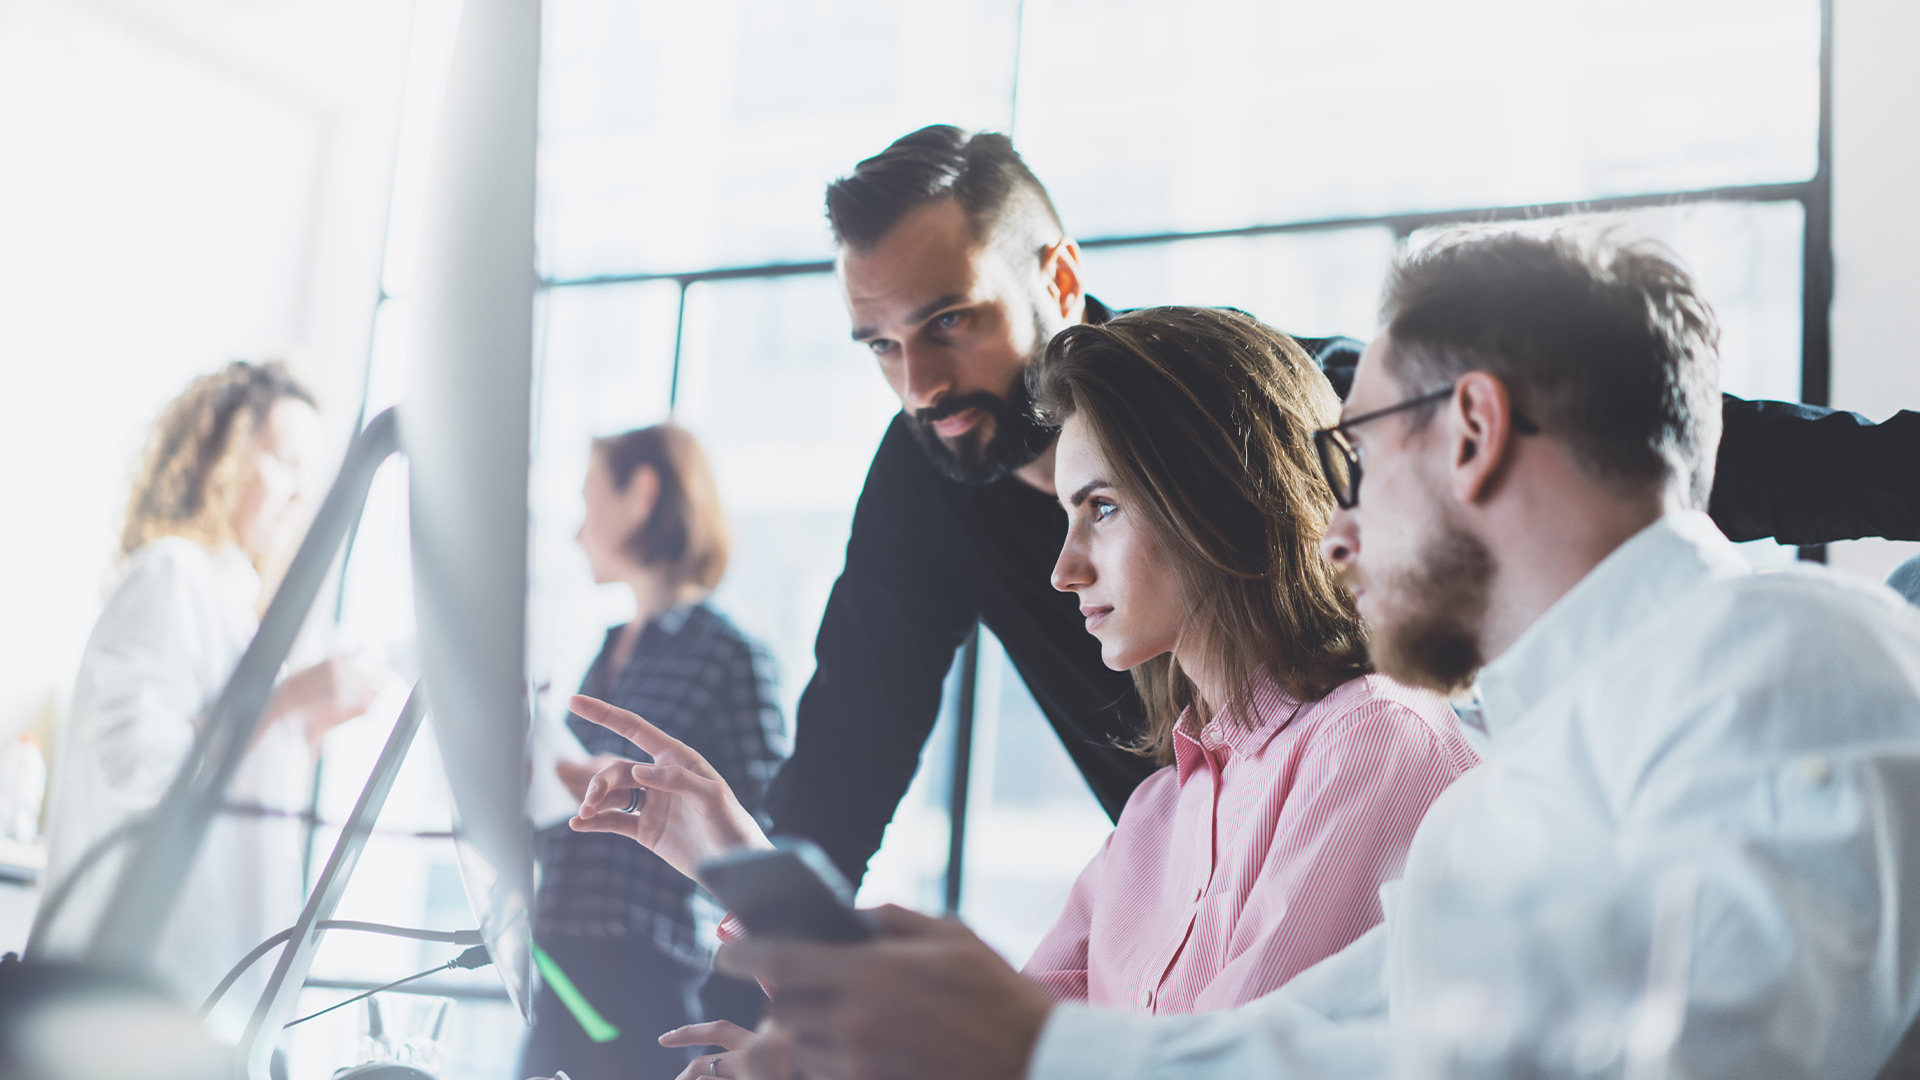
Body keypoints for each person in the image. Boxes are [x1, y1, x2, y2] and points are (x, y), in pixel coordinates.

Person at [714, 230, 1920, 1080]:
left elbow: (1704, 1053)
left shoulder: (1786, 652)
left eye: (1361, 452)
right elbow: (1294, 1045)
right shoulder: (1487, 809)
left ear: (1474, 431)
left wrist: (1036, 1050)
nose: (1333, 525)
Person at [764, 124, 1920, 896]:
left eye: (951, 322)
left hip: (1397, 841)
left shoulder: (1251, 402)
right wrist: (758, 992)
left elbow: (1602, 441)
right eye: (881, 345)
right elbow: (847, 756)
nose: (920, 383)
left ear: (1057, 279)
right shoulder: (920, 482)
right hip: (1209, 895)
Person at [569, 308, 1478, 1076]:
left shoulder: (1374, 743)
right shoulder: (1160, 811)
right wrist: (735, 861)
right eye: (1065, 514)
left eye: (1102, 508)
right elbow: (989, 1047)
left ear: (1219, 498)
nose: (1062, 568)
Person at [40, 361, 388, 1039]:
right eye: (286, 462)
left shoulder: (237, 604)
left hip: (209, 994)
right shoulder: (170, 574)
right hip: (134, 999)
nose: (301, 494)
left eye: (310, 474)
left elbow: (233, 781)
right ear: (221, 458)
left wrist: (306, 725)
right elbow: (143, 767)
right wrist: (284, 700)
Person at [518, 424, 788, 1080]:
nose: (576, 531)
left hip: (647, 976)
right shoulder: (608, 650)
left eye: (589, 501)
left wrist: (641, 788)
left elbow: (762, 829)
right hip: (561, 961)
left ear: (641, 493)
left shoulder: (731, 654)